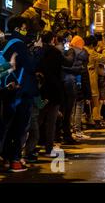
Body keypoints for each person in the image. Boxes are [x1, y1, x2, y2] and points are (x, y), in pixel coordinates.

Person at [0, 16, 38, 172]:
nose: (26, 30)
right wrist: (37, 51)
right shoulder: (20, 44)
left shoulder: (0, 43)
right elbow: (31, 67)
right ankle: (15, 160)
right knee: (19, 127)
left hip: (4, 90)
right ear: (19, 27)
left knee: (2, 127)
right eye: (25, 27)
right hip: (20, 91)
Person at [24, 31, 65, 160]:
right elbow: (62, 69)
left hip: (40, 89)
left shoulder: (37, 52)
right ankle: (48, 148)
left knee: (37, 120)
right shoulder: (56, 52)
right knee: (51, 122)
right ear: (53, 39)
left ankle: (31, 148)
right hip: (53, 90)